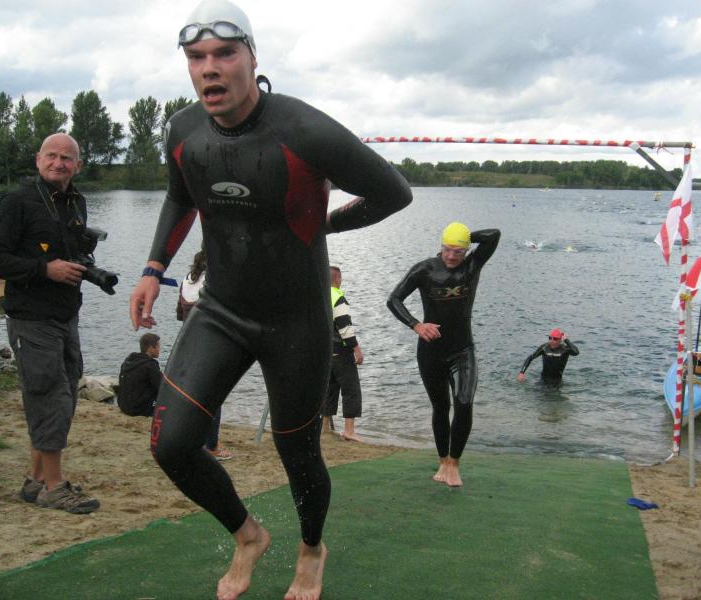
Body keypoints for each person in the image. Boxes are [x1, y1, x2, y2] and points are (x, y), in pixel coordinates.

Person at [128, 1, 412, 598]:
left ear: (252, 58)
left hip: (297, 321)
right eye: (196, 57)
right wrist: (154, 268)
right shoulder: (183, 130)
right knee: (171, 444)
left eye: (224, 54)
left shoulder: (304, 130)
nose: (210, 68)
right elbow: (180, 196)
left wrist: (327, 224)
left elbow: (394, 192)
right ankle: (248, 534)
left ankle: (311, 548)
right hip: (222, 311)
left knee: (297, 452)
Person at [0, 133, 99, 514]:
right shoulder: (17, 202)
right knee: (49, 395)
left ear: (78, 166)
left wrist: (85, 267)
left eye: (67, 158)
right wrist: (44, 270)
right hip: (31, 316)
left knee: (66, 395)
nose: (58, 163)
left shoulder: (77, 202)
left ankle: (35, 480)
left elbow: (71, 252)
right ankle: (54, 486)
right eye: (52, 155)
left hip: (66, 314)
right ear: (38, 159)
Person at [387, 222, 500, 488]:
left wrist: (464, 237)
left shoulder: (472, 265)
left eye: (458, 251)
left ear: (466, 251)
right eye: (447, 249)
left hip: (463, 349)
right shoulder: (425, 269)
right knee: (441, 407)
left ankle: (454, 463)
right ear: (440, 246)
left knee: (464, 402)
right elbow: (393, 299)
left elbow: (494, 235)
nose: (451, 256)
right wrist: (416, 325)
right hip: (431, 351)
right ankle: (442, 461)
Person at [178, 247, 232, 460]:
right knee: (213, 397)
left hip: (186, 342)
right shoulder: (216, 280)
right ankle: (212, 445)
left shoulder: (186, 280)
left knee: (192, 395)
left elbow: (179, 313)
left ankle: (188, 440)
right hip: (210, 344)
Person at [322, 265, 364, 442]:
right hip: (341, 351)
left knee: (329, 389)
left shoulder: (321, 295)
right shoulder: (338, 297)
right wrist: (357, 349)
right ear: (338, 279)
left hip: (325, 351)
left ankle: (324, 427)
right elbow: (344, 327)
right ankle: (349, 431)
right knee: (351, 390)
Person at [118, 333, 162, 417]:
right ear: (150, 348)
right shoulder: (151, 365)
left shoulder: (129, 361)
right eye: (158, 346)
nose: (159, 349)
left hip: (124, 406)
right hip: (139, 409)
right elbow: (161, 387)